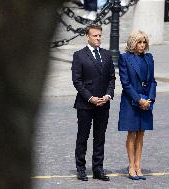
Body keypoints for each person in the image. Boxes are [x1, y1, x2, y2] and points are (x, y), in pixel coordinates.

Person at [72, 25, 115, 181]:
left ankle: (98, 169)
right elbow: (77, 81)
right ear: (87, 37)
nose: (98, 38)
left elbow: (111, 78)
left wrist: (108, 95)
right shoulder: (79, 55)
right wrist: (90, 98)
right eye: (95, 36)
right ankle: (81, 169)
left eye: (99, 36)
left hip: (103, 103)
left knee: (100, 137)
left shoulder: (107, 55)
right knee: (82, 137)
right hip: (85, 104)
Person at [118, 30, 157, 180]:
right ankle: (131, 166)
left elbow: (152, 81)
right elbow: (125, 83)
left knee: (141, 133)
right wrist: (138, 99)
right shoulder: (125, 58)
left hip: (146, 100)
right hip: (130, 100)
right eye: (139, 42)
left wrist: (150, 99)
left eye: (144, 42)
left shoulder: (149, 58)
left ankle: (138, 165)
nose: (142, 45)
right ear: (133, 43)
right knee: (132, 133)